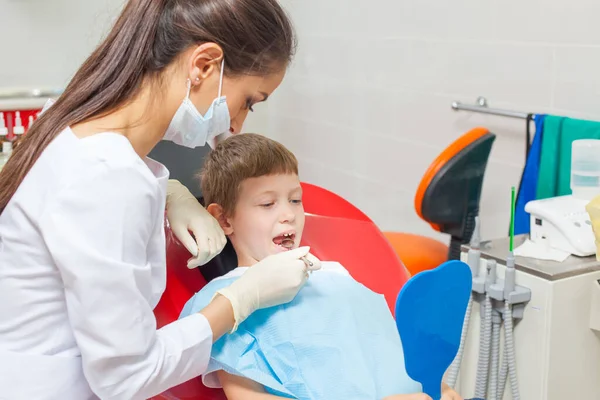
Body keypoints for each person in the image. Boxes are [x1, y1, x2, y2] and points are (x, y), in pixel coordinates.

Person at [0, 1, 322, 399]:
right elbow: (126, 377)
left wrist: (166, 193)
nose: (238, 124)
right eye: (249, 101)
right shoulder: (109, 178)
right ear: (203, 65)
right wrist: (243, 297)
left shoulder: (67, 125)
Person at [180, 134, 463, 400]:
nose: (288, 214)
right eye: (267, 203)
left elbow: (386, 349)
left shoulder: (334, 275)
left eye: (295, 200)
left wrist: (438, 386)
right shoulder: (223, 302)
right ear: (225, 219)